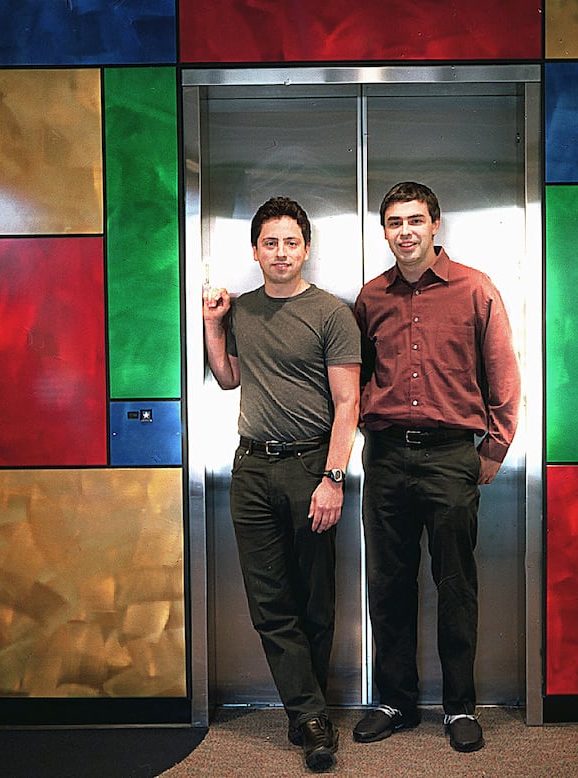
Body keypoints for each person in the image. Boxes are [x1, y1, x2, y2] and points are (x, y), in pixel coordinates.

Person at [352, 182, 521, 753]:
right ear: (385, 231)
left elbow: (503, 378)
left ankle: (459, 708)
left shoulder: (476, 289)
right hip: (387, 457)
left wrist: (492, 451)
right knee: (388, 582)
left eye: (416, 220)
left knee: (456, 584)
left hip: (452, 456)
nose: (406, 231)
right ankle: (395, 701)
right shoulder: (371, 297)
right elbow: (358, 379)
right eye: (395, 222)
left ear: (436, 225)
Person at [203, 196, 361, 772]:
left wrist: (333, 478)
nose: (280, 252)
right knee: (270, 601)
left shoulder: (331, 314)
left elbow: (348, 404)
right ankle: (311, 714)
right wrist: (213, 325)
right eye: (269, 242)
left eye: (290, 241)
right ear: (255, 250)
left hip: (310, 467)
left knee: (315, 599)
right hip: (250, 469)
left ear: (306, 248)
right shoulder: (242, 310)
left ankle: (307, 711)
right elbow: (227, 379)